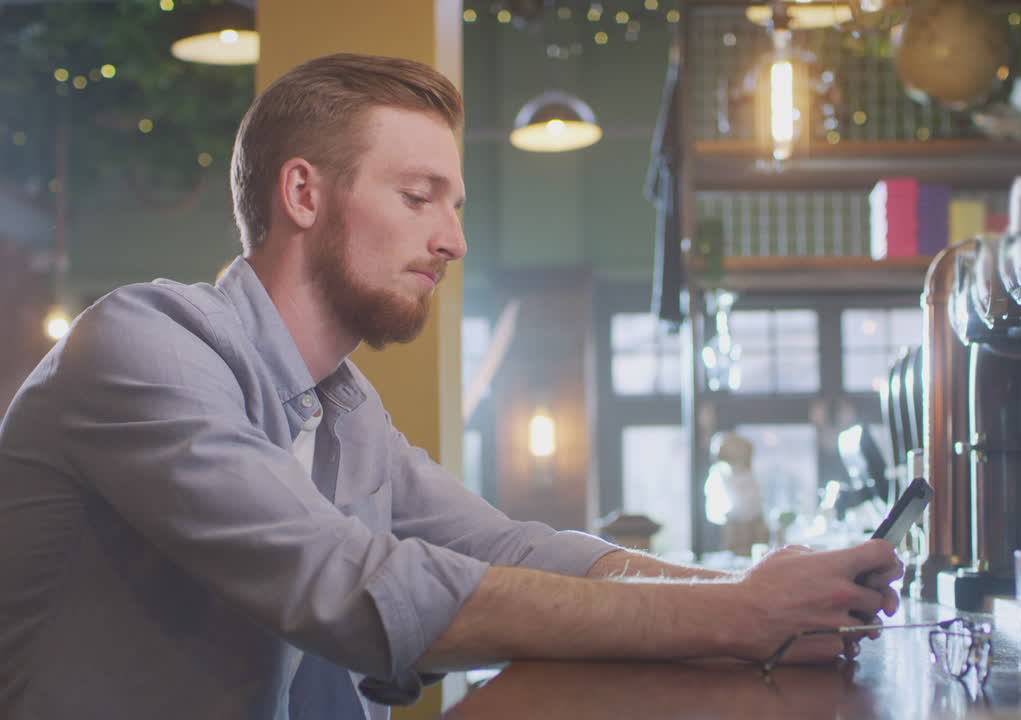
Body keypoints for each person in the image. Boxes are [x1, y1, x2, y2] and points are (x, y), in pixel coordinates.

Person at [0, 53, 902, 719]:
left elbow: (516, 549)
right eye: (418, 196)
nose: (452, 240)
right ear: (304, 195)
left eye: (455, 206)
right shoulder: (140, 348)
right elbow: (348, 585)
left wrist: (754, 594)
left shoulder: (345, 413)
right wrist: (741, 617)